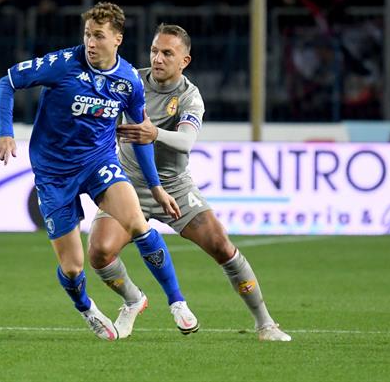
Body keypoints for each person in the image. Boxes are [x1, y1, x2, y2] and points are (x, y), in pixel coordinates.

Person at [0, 3, 199, 341]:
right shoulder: (62, 64)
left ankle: (177, 301)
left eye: (98, 36)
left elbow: (140, 133)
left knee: (137, 223)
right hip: (54, 171)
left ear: (117, 39)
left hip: (98, 163)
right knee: (73, 266)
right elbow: (6, 82)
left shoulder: (128, 80)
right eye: (87, 34)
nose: (90, 42)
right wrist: (5, 131)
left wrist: (156, 186)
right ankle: (87, 308)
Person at [87, 23, 292, 341]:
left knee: (223, 246)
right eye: (155, 50)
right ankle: (132, 301)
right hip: (126, 186)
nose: (158, 58)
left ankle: (265, 324)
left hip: (175, 188)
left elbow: (185, 142)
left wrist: (153, 133)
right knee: (99, 252)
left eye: (168, 53)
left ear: (185, 60)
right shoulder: (129, 80)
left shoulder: (190, 96)